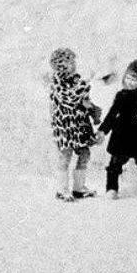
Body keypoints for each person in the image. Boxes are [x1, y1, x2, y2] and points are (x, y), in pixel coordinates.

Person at [96, 56, 137, 199]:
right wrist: (103, 130)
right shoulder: (122, 95)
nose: (129, 82)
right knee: (115, 163)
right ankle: (112, 188)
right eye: (128, 78)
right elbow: (112, 114)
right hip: (122, 135)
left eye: (134, 79)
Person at [48, 47, 99, 202]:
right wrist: (84, 86)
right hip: (65, 126)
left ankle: (78, 188)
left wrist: (91, 107)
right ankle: (62, 190)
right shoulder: (57, 82)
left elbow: (82, 99)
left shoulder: (75, 80)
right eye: (71, 62)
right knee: (66, 156)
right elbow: (69, 99)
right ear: (62, 65)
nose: (74, 64)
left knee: (85, 153)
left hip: (79, 125)